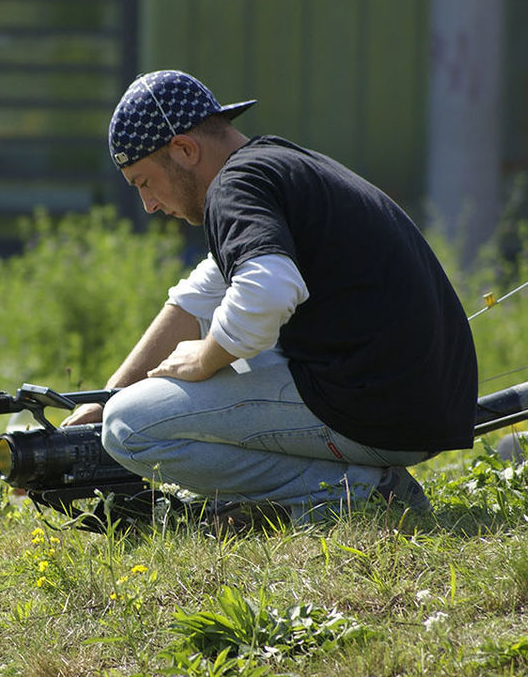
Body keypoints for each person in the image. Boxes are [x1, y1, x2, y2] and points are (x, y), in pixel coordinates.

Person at [60, 70, 477, 522]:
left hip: (381, 409)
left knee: (129, 427)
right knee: (125, 405)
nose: (149, 205)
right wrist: (101, 400)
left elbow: (268, 290)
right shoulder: (273, 165)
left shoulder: (234, 187)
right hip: (420, 402)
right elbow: (197, 299)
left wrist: (203, 361)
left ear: (183, 149)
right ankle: (339, 488)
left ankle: (357, 492)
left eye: (144, 182)